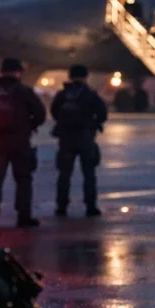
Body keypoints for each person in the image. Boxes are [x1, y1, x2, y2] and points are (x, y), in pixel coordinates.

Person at [0, 57, 46, 227]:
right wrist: (28, 127)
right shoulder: (25, 92)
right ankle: (23, 217)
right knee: (23, 180)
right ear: (18, 72)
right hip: (20, 142)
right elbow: (40, 114)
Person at [51, 64, 108, 216]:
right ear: (85, 77)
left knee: (64, 174)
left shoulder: (63, 94)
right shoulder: (90, 94)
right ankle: (90, 206)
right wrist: (94, 124)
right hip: (85, 137)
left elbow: (54, 111)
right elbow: (102, 113)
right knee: (89, 173)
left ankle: (61, 206)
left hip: (66, 138)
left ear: (69, 76)